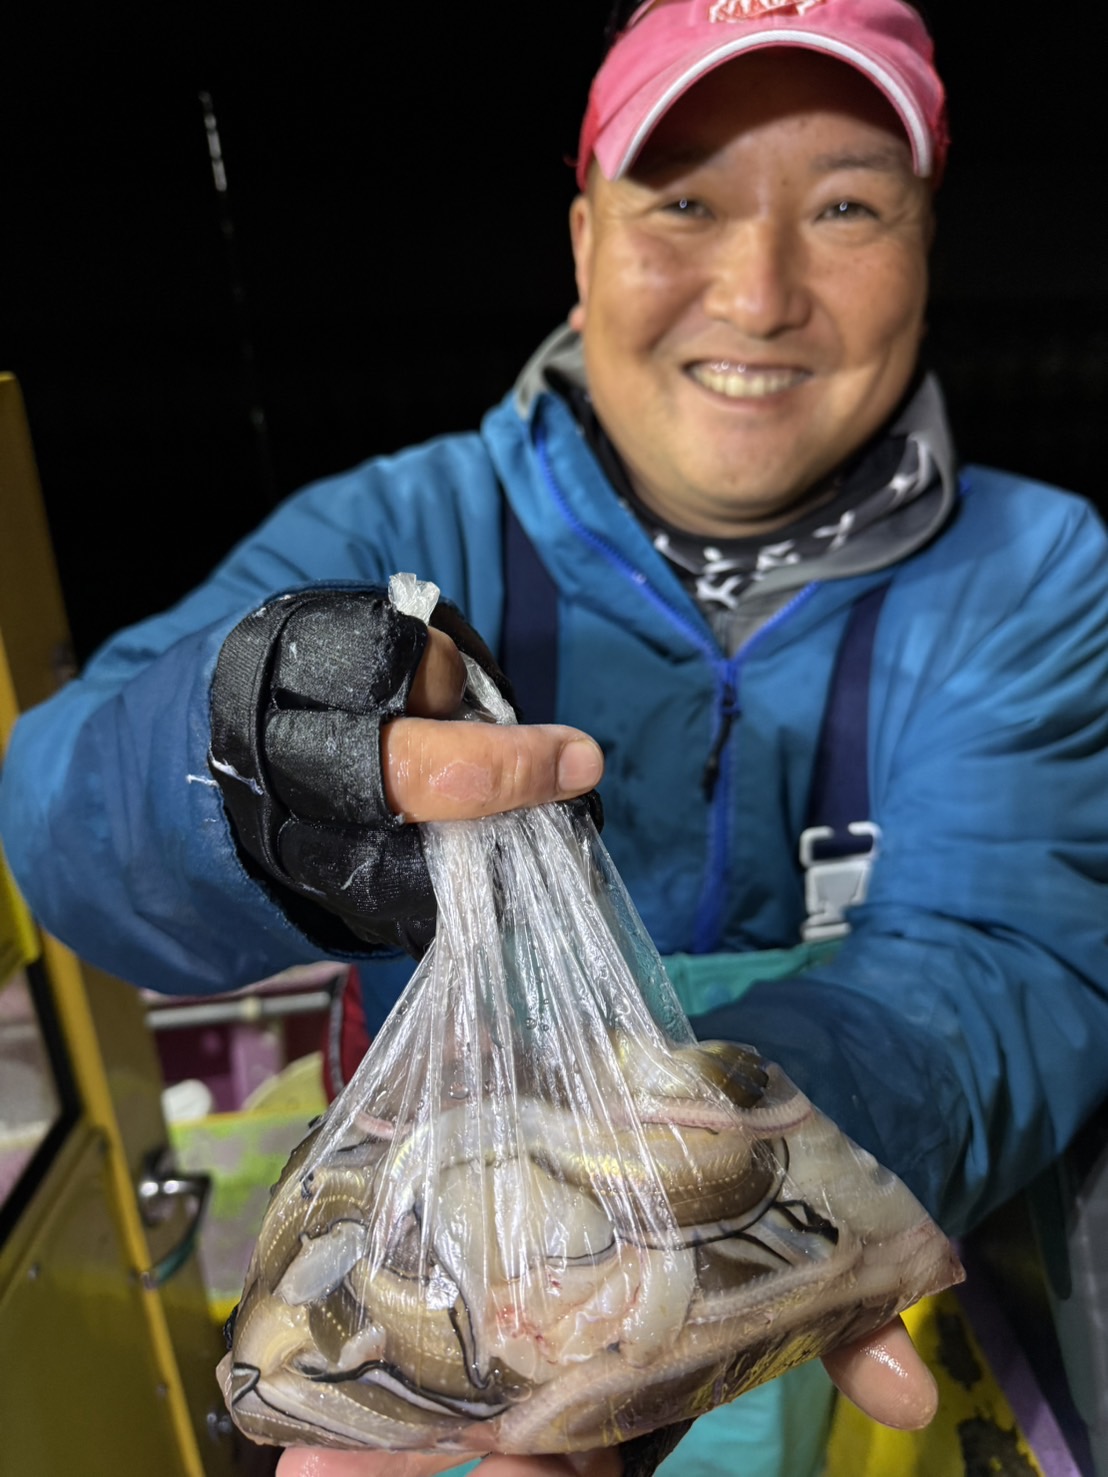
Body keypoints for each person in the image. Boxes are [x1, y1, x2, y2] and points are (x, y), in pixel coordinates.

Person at [3, 0, 1108, 1473]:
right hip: (463, 1303)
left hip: (835, 1288)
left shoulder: (1036, 570)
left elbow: (1007, 958)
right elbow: (58, 805)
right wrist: (253, 753)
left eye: (847, 205)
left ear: (926, 245)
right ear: (584, 245)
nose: (759, 292)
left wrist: (754, 1167)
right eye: (685, 202)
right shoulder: (402, 529)